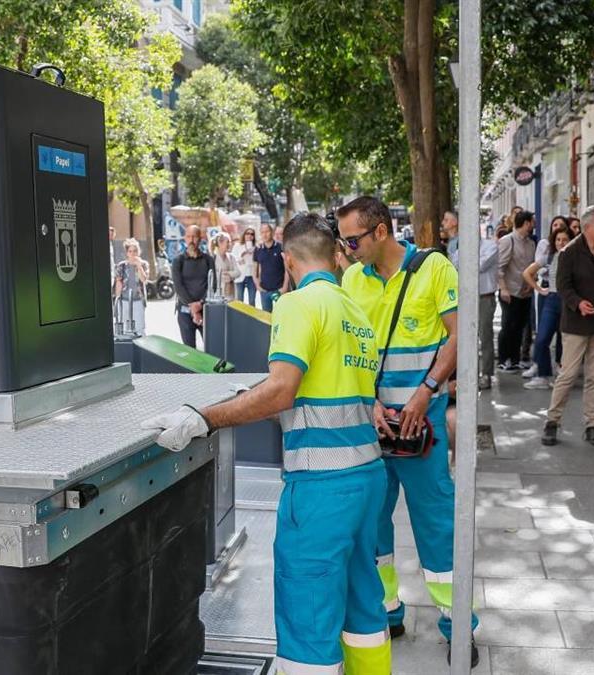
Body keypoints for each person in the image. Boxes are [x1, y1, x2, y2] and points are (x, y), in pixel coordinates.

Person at [143, 213, 392, 674]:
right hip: (367, 477)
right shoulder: (356, 310)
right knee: (363, 605)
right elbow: (325, 386)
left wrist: (204, 418)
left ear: (286, 258)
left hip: (321, 485)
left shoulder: (299, 305)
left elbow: (282, 390)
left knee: (308, 618)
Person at [336, 195, 479, 665]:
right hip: (371, 421)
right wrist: (369, 399)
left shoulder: (434, 269)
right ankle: (386, 611)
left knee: (435, 521)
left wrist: (427, 390)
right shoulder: (353, 278)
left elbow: (459, 335)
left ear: (380, 232)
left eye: (353, 239)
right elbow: (350, 348)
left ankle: (458, 627)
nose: (348, 248)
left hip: (424, 421)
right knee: (372, 523)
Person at [541, 206, 594, 446]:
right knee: (568, 374)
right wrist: (578, 303)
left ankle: (592, 424)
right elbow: (563, 287)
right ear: (588, 227)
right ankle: (552, 422)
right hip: (576, 323)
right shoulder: (569, 252)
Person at [444, 210, 499, 390]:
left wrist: (465, 262)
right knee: (467, 339)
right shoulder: (460, 250)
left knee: (486, 336)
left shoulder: (490, 247)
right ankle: (470, 375)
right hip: (466, 299)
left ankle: (487, 374)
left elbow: (479, 266)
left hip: (484, 297)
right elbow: (453, 268)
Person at [523, 227, 571, 389]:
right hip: (551, 299)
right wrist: (540, 289)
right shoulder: (549, 257)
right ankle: (543, 376)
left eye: (564, 239)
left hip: (568, 301)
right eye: (558, 240)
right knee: (542, 338)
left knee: (567, 340)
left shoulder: (575, 258)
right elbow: (527, 273)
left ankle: (566, 374)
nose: (561, 243)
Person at [497, 210, 537, 371]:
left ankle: (514, 359)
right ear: (526, 223)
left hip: (525, 293)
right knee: (508, 326)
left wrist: (531, 283)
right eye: (532, 222)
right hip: (510, 292)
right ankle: (503, 358)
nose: (534, 225)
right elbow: (499, 267)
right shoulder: (508, 241)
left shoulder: (531, 243)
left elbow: (532, 267)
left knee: (520, 327)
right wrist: (503, 289)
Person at [171, 225, 214, 348]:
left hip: (206, 310)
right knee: (189, 350)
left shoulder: (208, 260)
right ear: (185, 238)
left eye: (194, 236)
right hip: (184, 311)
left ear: (200, 239)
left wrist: (200, 303)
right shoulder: (178, 260)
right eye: (188, 236)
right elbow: (178, 286)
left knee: (212, 348)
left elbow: (213, 284)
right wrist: (193, 307)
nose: (191, 240)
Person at [113, 238, 149, 337]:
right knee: (124, 326)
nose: (133, 253)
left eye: (135, 251)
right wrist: (117, 299)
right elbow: (118, 283)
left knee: (139, 327)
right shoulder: (121, 266)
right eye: (130, 251)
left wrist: (139, 266)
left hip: (138, 299)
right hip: (124, 300)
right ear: (127, 253)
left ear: (139, 252)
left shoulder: (144, 264)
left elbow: (144, 280)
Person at [254, 223, 288, 312]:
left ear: (272, 232)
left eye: (267, 231)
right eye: (262, 232)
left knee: (281, 315)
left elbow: (287, 269)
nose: (264, 234)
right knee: (266, 318)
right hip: (264, 290)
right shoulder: (258, 249)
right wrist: (257, 285)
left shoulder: (280, 247)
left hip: (279, 289)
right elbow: (254, 270)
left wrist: (284, 287)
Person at [211, 232, 240, 301]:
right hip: (218, 293)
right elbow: (212, 275)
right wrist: (223, 276)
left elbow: (238, 272)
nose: (230, 244)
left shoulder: (231, 257)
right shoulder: (213, 258)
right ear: (220, 243)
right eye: (227, 242)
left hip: (231, 292)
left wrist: (228, 274)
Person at [233, 227, 259, 305]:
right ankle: (239, 317)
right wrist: (242, 255)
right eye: (247, 233)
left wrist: (253, 254)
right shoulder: (237, 246)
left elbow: (257, 263)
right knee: (240, 300)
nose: (249, 236)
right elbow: (234, 259)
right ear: (244, 235)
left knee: (252, 301)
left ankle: (250, 317)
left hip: (252, 276)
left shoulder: (256, 247)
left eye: (252, 234)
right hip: (240, 275)